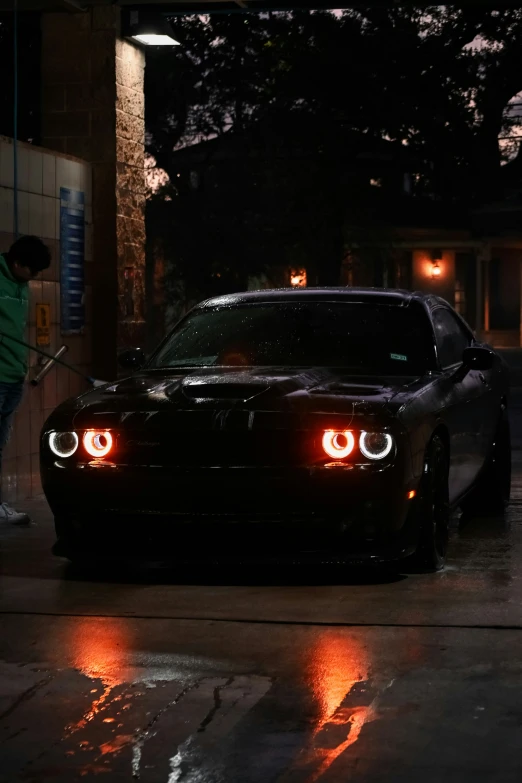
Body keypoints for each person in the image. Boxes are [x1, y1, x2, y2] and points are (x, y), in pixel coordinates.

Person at [0, 236, 51, 524]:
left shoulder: (22, 285)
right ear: (18, 263)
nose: (34, 278)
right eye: (32, 271)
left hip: (13, 375)